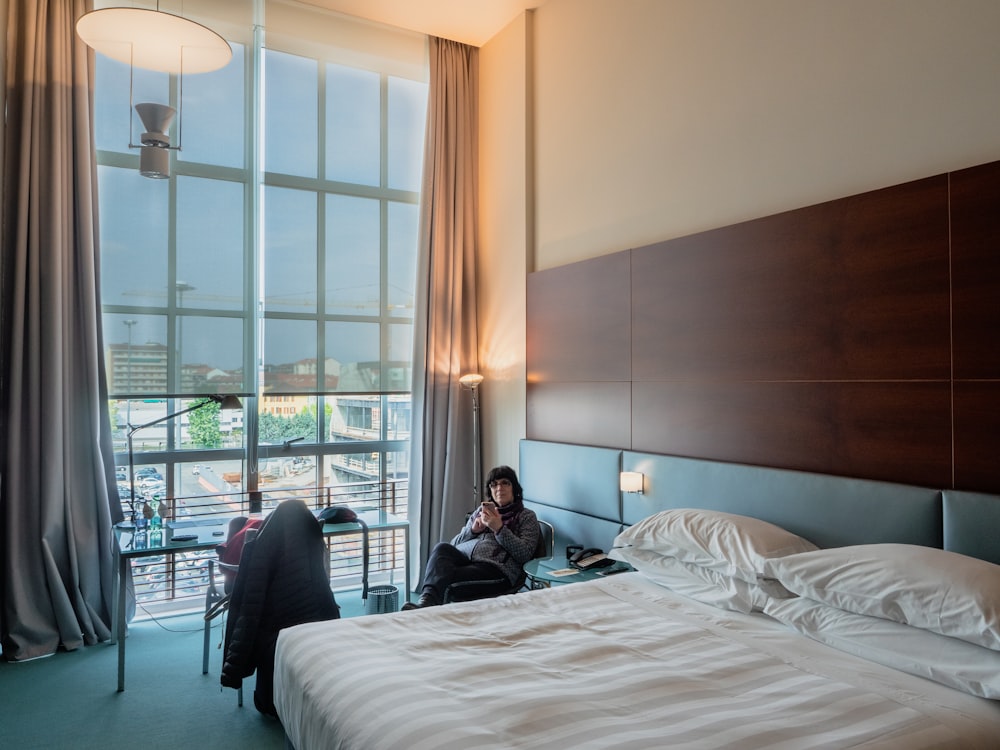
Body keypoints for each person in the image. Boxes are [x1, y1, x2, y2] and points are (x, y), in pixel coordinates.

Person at [403, 465, 540, 610]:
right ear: (490, 491)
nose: (499, 488)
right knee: (441, 548)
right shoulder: (481, 512)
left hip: (497, 570)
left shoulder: (526, 516)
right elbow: (454, 544)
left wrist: (499, 529)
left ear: (515, 488)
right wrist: (473, 530)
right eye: (494, 485)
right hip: (466, 561)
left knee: (444, 580)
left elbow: (525, 554)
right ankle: (425, 604)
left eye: (505, 483)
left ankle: (424, 608)